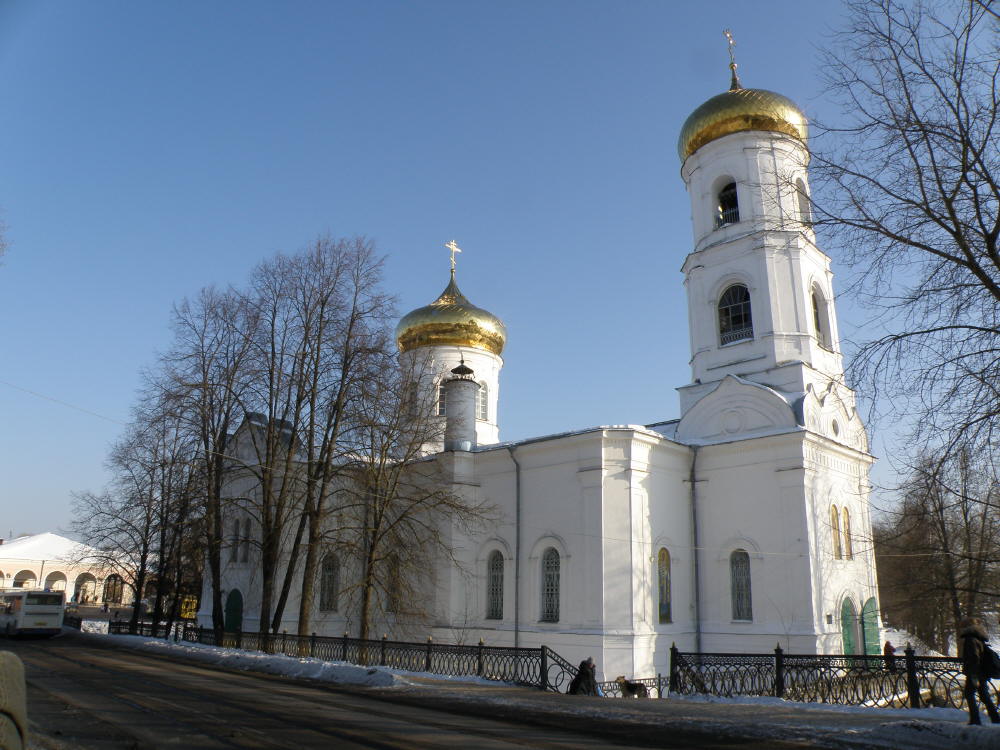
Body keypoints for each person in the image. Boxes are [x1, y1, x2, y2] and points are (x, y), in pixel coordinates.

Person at [959, 617, 1000, 725]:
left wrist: (973, 674)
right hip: (982, 672)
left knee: (969, 694)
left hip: (975, 672)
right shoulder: (978, 637)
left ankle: (975, 719)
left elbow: (974, 657)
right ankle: (995, 718)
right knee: (984, 695)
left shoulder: (970, 639)